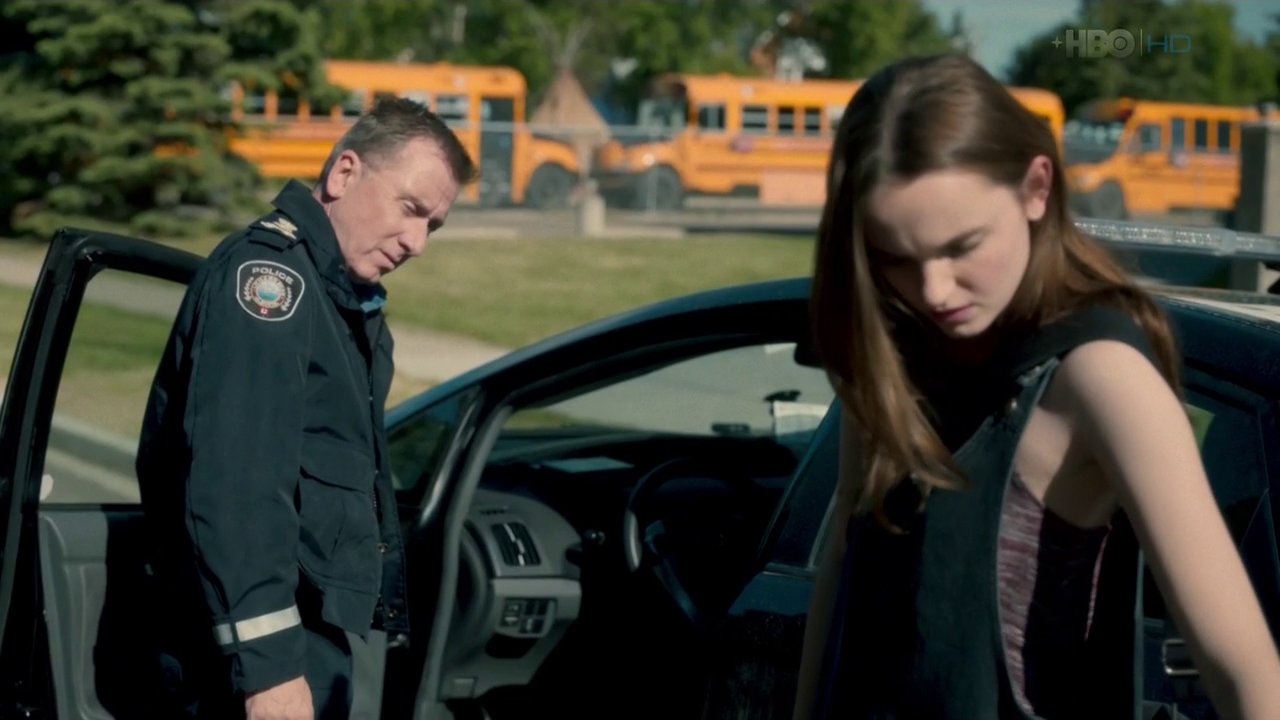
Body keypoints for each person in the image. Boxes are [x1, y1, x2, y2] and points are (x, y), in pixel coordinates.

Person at [793, 54, 1280, 719]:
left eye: (962, 246)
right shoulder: (891, 349)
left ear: (1036, 188)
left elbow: (1245, 669)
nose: (933, 290)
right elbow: (843, 562)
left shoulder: (1100, 376)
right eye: (896, 257)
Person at [136, 97, 478, 719]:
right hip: (249, 660)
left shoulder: (342, 302)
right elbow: (237, 485)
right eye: (410, 209)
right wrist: (268, 669)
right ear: (344, 173)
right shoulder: (272, 283)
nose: (417, 242)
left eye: (433, 226)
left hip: (304, 637)